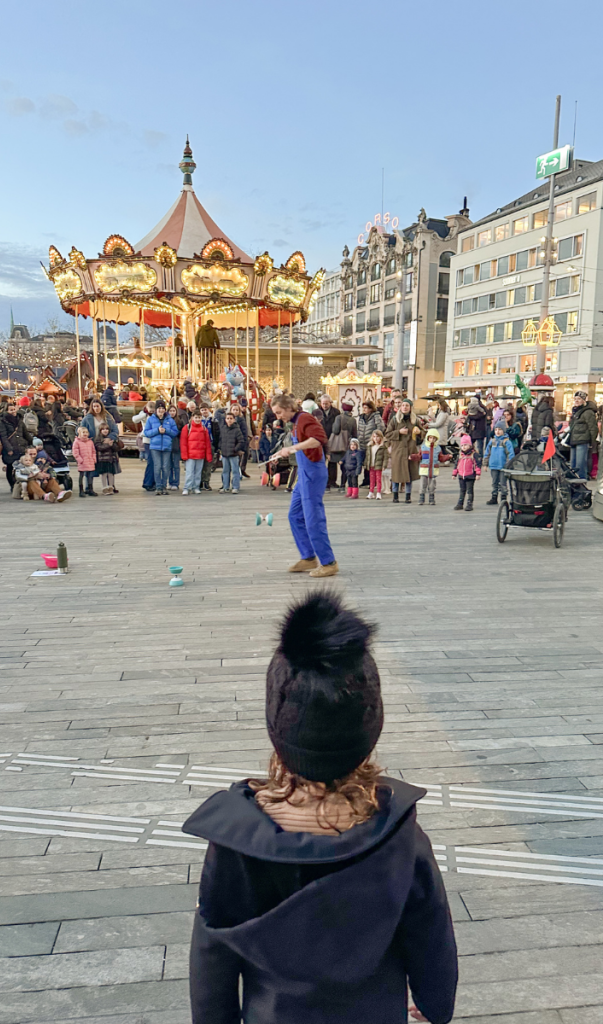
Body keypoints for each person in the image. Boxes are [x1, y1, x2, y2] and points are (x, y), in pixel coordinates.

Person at [184, 592, 458, 1024]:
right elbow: (430, 929)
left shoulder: (238, 840)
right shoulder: (398, 833)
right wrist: (434, 1002)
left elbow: (211, 951)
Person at [270, 394, 338, 578]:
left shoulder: (305, 418)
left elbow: (319, 439)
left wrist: (293, 448)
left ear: (288, 407)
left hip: (313, 475)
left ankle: (328, 562)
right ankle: (308, 557)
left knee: (313, 518)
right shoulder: (296, 422)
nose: (278, 416)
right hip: (304, 475)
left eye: (279, 412)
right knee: (295, 516)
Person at [384, 398, 422, 504]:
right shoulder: (395, 420)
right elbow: (387, 434)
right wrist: (398, 432)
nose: (405, 407)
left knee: (409, 475)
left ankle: (407, 496)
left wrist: (419, 432)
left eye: (407, 405)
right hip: (398, 451)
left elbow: (423, 434)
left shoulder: (415, 420)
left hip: (410, 450)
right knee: (396, 475)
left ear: (410, 408)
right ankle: (395, 496)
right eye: (403, 405)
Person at [144, 401, 178, 496]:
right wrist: (157, 431)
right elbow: (146, 432)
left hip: (166, 446)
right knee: (157, 467)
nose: (161, 410)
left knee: (166, 467)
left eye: (162, 408)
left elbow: (175, 432)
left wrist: (166, 431)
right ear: (156, 410)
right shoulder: (151, 419)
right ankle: (158, 486)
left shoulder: (170, 420)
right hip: (155, 446)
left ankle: (164, 486)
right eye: (159, 408)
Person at [568, 390, 598, 480]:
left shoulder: (588, 412)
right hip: (574, 440)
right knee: (573, 464)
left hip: (583, 440)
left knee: (580, 464)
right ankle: (574, 482)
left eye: (579, 399)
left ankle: (581, 482)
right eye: (575, 399)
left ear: (584, 400)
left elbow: (593, 428)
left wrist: (592, 443)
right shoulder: (575, 411)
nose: (576, 401)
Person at [180, 411, 212, 495]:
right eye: (196, 417)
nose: (197, 419)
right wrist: (184, 455)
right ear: (192, 418)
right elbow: (183, 442)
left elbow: (207, 443)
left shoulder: (204, 429)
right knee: (189, 472)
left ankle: (196, 487)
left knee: (198, 473)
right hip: (190, 455)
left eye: (199, 417)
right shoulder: (187, 427)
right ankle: (187, 487)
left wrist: (208, 456)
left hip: (200, 455)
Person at [484, 420, 515, 505]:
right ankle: (494, 497)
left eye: (500, 429)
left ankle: (503, 497)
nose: (497, 431)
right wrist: (485, 464)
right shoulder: (492, 441)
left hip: (503, 466)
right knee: (494, 483)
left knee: (503, 483)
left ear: (503, 430)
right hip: (493, 466)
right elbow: (487, 453)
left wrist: (508, 465)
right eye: (496, 429)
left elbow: (510, 454)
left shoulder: (506, 442)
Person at [329, 401, 358, 490]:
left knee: (332, 464)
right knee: (345, 467)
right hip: (346, 445)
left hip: (337, 445)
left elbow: (335, 430)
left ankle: (331, 483)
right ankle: (342, 485)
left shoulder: (338, 417)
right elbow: (355, 434)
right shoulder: (353, 420)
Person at [357, 400, 385, 487]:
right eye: (363, 408)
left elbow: (381, 427)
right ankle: (366, 480)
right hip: (362, 442)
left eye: (366, 408)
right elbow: (359, 428)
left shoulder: (376, 416)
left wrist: (375, 438)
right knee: (364, 462)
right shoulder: (361, 417)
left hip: (371, 442)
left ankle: (372, 481)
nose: (364, 409)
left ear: (370, 408)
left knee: (371, 462)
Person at [452, 434, 481, 511]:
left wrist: (478, 474)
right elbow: (456, 464)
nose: (464, 447)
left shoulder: (474, 454)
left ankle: (469, 503)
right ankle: (460, 503)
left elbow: (477, 465)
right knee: (462, 490)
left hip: (470, 475)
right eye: (462, 445)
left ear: (470, 445)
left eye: (466, 445)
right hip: (461, 475)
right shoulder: (460, 455)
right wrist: (454, 473)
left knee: (469, 490)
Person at [218, 411, 245, 494]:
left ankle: (235, 486)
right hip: (225, 453)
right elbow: (221, 440)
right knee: (225, 471)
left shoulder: (237, 430)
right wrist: (220, 448)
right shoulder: (223, 429)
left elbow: (241, 441)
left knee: (235, 471)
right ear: (225, 419)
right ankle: (225, 486)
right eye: (227, 418)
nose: (229, 420)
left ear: (234, 420)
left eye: (231, 418)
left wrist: (235, 449)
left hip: (233, 454)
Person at [95, 423, 120, 494]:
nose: (105, 431)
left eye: (107, 429)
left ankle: (111, 487)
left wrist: (113, 445)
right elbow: (99, 448)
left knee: (111, 474)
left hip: (111, 459)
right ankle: (104, 487)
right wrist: (108, 445)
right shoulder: (98, 438)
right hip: (102, 459)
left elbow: (116, 449)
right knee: (104, 474)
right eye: (103, 429)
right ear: (100, 430)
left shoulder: (111, 438)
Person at [72, 426, 98, 497]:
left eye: (86, 432)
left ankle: (90, 489)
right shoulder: (77, 442)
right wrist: (80, 460)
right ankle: (81, 490)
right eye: (83, 432)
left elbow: (93, 451)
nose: (85, 434)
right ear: (79, 433)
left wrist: (94, 458)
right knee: (82, 476)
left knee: (90, 476)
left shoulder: (90, 441)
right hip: (82, 462)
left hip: (90, 461)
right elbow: (75, 452)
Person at [419, 428, 441, 506]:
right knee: (422, 485)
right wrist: (413, 457)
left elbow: (440, 457)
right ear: (428, 438)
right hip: (424, 469)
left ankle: (431, 498)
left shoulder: (437, 448)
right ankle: (421, 498)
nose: (432, 439)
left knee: (432, 486)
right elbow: (419, 456)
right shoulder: (423, 447)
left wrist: (447, 457)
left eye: (434, 438)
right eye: (430, 437)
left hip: (433, 470)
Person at [364, 428, 387, 500]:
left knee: (378, 479)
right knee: (371, 479)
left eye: (377, 437)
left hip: (378, 465)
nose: (376, 438)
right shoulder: (370, 446)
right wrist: (366, 464)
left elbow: (385, 457)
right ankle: (371, 492)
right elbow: (367, 456)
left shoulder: (383, 447)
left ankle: (378, 493)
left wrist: (384, 465)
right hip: (371, 465)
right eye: (374, 437)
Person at [466, 395, 488, 459]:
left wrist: (470, 416)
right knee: (477, 446)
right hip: (477, 430)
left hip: (477, 429)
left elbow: (477, 416)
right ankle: (476, 457)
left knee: (477, 446)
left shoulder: (480, 407)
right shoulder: (482, 407)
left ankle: (478, 458)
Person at [167, 405, 182, 490]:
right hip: (168, 445)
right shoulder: (165, 421)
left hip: (176, 444)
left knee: (176, 465)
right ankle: (170, 482)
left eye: (173, 411)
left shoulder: (179, 421)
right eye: (170, 411)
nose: (172, 413)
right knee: (169, 465)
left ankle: (176, 483)